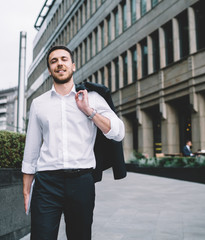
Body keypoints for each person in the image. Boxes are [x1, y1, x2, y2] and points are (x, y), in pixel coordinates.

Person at [22, 46, 125, 240]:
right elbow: (32, 150)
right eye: (54, 61)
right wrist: (26, 189)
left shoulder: (92, 98)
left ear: (73, 65)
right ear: (50, 69)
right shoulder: (39, 104)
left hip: (81, 182)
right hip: (46, 183)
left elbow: (118, 133)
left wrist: (89, 111)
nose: (59, 63)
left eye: (64, 59)